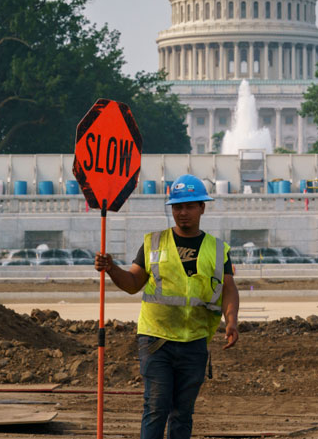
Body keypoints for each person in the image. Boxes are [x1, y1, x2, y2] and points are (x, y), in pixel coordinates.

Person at [94, 174, 239, 439]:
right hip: (156, 340)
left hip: (195, 341)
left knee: (183, 413)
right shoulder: (154, 243)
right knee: (156, 407)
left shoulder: (217, 249)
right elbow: (132, 283)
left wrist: (231, 320)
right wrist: (112, 268)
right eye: (177, 207)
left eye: (189, 206)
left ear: (202, 208)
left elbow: (229, 288)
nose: (182, 213)